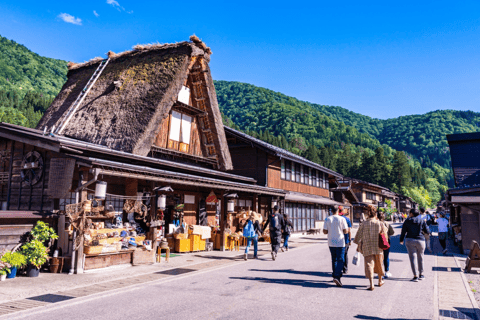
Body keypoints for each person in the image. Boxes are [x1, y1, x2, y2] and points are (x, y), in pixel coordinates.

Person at [354, 205, 388, 291]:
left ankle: (371, 283)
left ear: (367, 214)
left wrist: (358, 245)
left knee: (369, 265)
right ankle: (380, 281)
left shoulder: (364, 224)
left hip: (367, 247)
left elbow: (358, 237)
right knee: (379, 264)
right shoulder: (380, 223)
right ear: (375, 213)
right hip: (378, 247)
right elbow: (385, 235)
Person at [400, 208, 430, 282]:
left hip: (410, 240)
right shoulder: (422, 221)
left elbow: (403, 231)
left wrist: (401, 240)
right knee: (421, 257)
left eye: (409, 213)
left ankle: (415, 276)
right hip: (421, 240)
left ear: (411, 214)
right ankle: (421, 274)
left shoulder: (407, 221)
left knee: (412, 258)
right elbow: (427, 231)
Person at [323, 205, 349, 287]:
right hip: (340, 242)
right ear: (338, 210)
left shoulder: (327, 219)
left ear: (331, 211)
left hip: (331, 242)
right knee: (341, 260)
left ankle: (335, 276)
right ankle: (337, 276)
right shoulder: (342, 219)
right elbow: (345, 231)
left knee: (334, 260)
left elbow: (325, 231)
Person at [377, 211, 395, 278]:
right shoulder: (387, 223)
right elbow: (392, 232)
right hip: (386, 241)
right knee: (386, 256)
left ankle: (379, 272)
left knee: (378, 257)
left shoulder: (375, 223)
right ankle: (387, 271)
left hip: (377, 242)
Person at [339, 206, 352, 274]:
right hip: (345, 240)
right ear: (343, 211)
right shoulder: (347, 219)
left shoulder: (334, 219)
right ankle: (345, 269)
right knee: (345, 254)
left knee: (338, 255)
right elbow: (349, 231)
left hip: (337, 240)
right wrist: (350, 240)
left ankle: (339, 269)